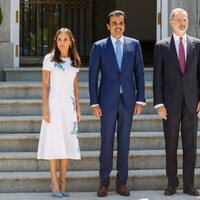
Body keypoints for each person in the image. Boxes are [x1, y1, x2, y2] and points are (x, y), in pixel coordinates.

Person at [89, 10, 146, 197]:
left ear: (124, 25)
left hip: (128, 101)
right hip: (106, 102)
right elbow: (92, 77)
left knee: (124, 142)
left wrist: (140, 99)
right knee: (106, 142)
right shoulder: (99, 47)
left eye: (121, 22)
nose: (118, 26)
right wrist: (94, 103)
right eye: (114, 23)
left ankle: (121, 183)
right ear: (108, 26)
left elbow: (139, 73)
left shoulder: (134, 45)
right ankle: (104, 182)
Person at [153, 8, 200, 196]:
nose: (183, 22)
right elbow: (157, 78)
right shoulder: (161, 46)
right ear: (171, 22)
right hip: (169, 105)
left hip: (191, 104)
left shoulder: (197, 45)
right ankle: (172, 183)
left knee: (190, 146)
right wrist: (159, 104)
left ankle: (189, 185)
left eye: (185, 19)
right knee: (170, 145)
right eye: (179, 19)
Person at [37, 28, 81, 198]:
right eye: (59, 39)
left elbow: (75, 87)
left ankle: (63, 182)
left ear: (71, 41)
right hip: (54, 106)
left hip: (69, 108)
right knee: (54, 144)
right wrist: (45, 108)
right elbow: (44, 85)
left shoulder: (75, 60)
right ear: (56, 41)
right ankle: (54, 183)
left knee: (67, 144)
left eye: (65, 39)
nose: (62, 42)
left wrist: (78, 108)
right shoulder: (49, 59)